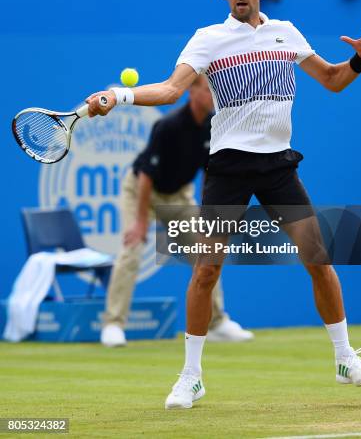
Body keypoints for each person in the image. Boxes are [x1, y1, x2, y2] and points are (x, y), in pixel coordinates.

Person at [86, 0, 361, 409]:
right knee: (206, 270)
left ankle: (345, 358)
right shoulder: (208, 39)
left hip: (279, 167)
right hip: (226, 167)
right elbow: (169, 89)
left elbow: (331, 79)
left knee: (319, 260)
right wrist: (119, 95)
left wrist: (359, 61)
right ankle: (191, 377)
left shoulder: (287, 33)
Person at [101, 76, 254, 347]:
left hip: (179, 197)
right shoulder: (167, 126)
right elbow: (146, 175)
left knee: (206, 253)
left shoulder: (214, 125)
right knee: (131, 250)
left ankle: (217, 323)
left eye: (213, 91)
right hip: (140, 192)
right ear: (191, 92)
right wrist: (139, 222)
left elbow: (210, 172)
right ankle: (113, 324)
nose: (211, 96)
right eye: (206, 90)